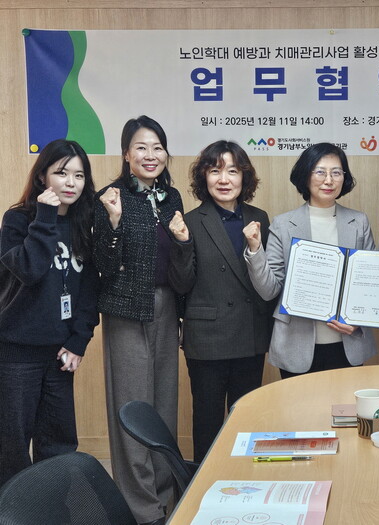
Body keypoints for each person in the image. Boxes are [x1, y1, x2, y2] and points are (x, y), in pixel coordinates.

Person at [93, 116, 183, 525]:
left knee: (164, 405)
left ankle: (166, 496)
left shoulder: (171, 197)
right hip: (126, 310)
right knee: (132, 406)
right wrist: (113, 222)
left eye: (157, 147)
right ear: (126, 154)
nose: (151, 155)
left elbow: (179, 257)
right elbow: (102, 264)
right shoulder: (110, 196)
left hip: (167, 306)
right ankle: (142, 509)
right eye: (141, 148)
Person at [0, 139, 99, 487]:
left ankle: (54, 509)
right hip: (17, 354)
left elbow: (88, 291)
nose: (71, 183)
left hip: (59, 354)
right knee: (12, 448)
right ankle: (13, 511)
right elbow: (29, 269)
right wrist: (44, 218)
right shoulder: (17, 220)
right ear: (43, 176)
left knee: (59, 446)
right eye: (61, 173)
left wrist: (78, 341)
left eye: (79, 175)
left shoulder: (83, 223)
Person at [168, 140, 273, 462]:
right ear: (204, 177)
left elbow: (266, 278)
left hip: (250, 334)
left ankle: (245, 478)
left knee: (247, 419)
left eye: (233, 171)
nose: (224, 179)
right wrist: (181, 243)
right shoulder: (191, 220)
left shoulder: (258, 217)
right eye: (215, 171)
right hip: (207, 339)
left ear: (244, 177)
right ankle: (204, 479)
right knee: (208, 421)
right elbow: (181, 284)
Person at [243, 143, 377, 378]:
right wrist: (255, 249)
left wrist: (358, 320)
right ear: (306, 176)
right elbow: (269, 290)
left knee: (345, 403)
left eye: (336, 172)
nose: (329, 180)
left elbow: (370, 284)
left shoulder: (359, 222)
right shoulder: (283, 224)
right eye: (320, 172)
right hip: (296, 344)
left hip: (348, 342)